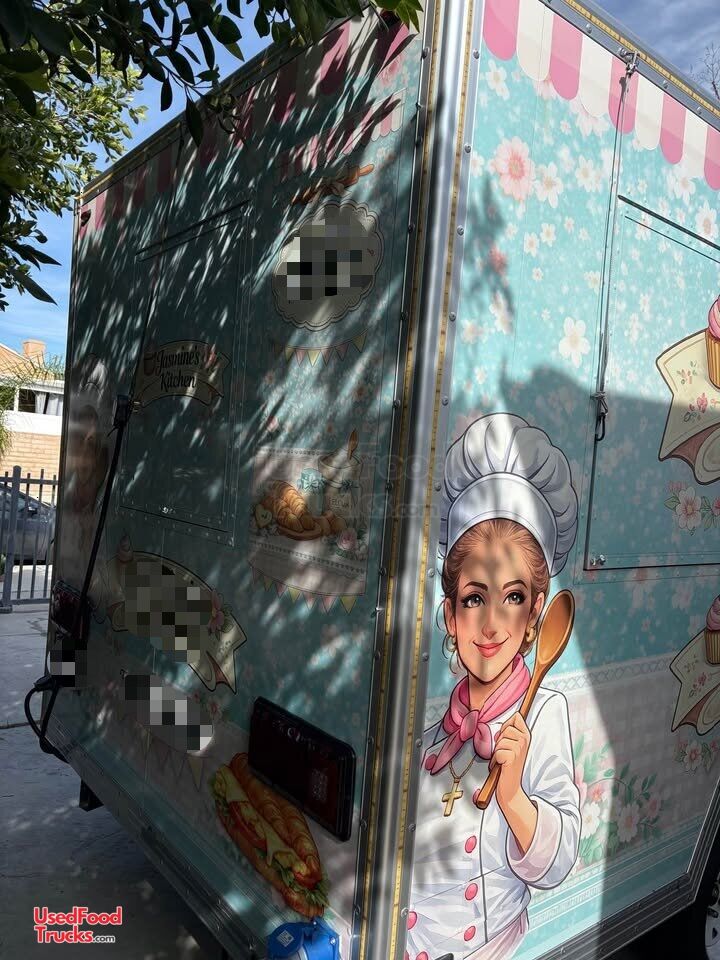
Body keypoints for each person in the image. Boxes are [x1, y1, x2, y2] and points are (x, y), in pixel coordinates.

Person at [406, 413, 581, 960]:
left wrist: (512, 796)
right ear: (450, 615)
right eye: (475, 598)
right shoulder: (438, 731)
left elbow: (558, 861)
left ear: (534, 618)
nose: (490, 625)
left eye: (512, 598)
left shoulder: (543, 713)